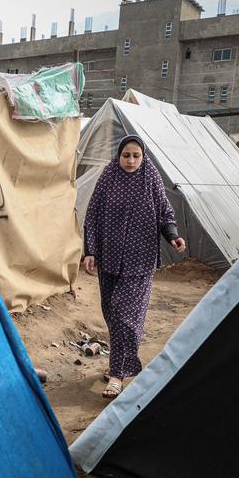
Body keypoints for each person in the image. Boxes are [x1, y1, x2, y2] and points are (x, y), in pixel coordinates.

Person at [82, 135, 186, 399]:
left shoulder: (150, 178)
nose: (130, 160)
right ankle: (121, 360)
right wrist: (90, 251)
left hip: (141, 259)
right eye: (126, 155)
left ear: (143, 157)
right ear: (119, 156)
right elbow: (92, 215)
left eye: (135, 156)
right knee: (111, 311)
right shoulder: (108, 177)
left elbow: (165, 212)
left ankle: (117, 375)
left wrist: (173, 235)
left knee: (123, 314)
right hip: (109, 258)